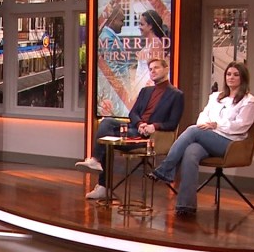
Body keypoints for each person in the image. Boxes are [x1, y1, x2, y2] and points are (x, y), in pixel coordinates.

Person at [150, 61, 254, 216]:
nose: (231, 77)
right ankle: (186, 205)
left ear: (243, 78)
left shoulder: (249, 101)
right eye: (228, 74)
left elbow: (241, 126)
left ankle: (166, 168)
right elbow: (203, 116)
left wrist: (216, 125)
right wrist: (206, 125)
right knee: (191, 151)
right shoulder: (216, 97)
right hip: (209, 138)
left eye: (236, 75)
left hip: (231, 144)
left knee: (193, 131)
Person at [76, 57, 183, 200]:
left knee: (107, 140)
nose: (152, 71)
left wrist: (153, 126)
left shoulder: (176, 95)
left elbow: (173, 123)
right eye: (150, 69)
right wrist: (139, 123)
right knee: (107, 123)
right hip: (136, 128)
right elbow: (133, 113)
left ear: (166, 69)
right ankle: (96, 162)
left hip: (150, 137)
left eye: (156, 68)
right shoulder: (145, 91)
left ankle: (103, 185)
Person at [133, 9, 168, 90]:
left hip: (148, 86)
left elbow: (157, 70)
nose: (139, 27)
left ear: (150, 26)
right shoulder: (150, 43)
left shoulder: (156, 44)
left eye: (142, 24)